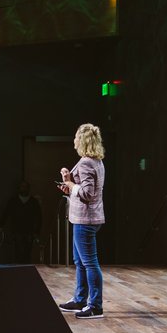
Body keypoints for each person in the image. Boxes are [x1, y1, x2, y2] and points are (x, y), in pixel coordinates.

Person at [58, 123, 106, 319]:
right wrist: (70, 185)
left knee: (89, 262)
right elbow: (84, 191)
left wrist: (70, 184)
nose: (74, 141)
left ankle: (95, 305)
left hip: (86, 219)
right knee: (80, 261)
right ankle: (80, 299)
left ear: (83, 141)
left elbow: (87, 193)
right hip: (87, 217)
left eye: (77, 137)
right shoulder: (96, 162)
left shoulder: (86, 163)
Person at [0, 179, 42, 264]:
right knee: (17, 253)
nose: (24, 188)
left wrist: (37, 232)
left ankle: (25, 272)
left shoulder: (33, 202)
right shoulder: (13, 201)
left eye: (26, 187)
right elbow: (6, 214)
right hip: (16, 231)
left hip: (29, 232)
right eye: (22, 187)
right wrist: (1, 226)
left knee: (27, 253)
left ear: (28, 188)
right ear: (19, 188)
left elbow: (39, 217)